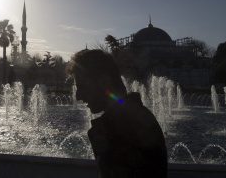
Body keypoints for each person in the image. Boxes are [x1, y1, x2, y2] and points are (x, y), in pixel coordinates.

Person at [66, 49, 167, 178]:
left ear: (105, 83)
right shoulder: (139, 116)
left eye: (82, 86)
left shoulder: (116, 129)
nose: (78, 96)